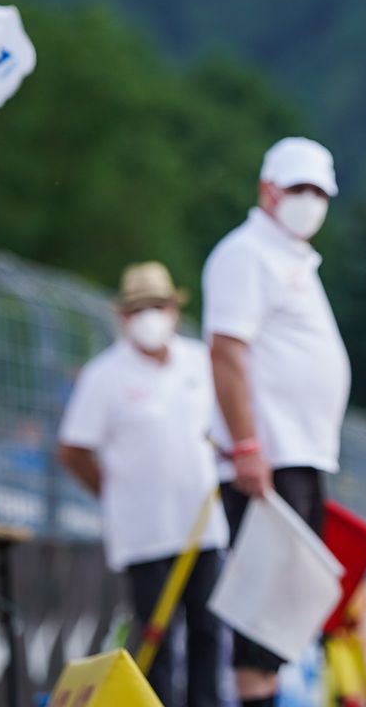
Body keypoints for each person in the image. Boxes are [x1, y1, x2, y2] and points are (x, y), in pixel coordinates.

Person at [203, 135, 350, 707]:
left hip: (302, 452)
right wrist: (245, 445)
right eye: (299, 189)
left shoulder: (292, 261)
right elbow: (227, 351)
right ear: (268, 191)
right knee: (263, 614)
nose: (309, 201)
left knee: (286, 609)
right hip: (270, 455)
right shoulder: (247, 254)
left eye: (319, 192)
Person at [58, 261, 227, 707]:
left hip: (201, 526)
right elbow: (74, 449)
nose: (150, 316)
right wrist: (112, 494)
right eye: (140, 308)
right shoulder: (105, 375)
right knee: (155, 637)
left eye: (157, 305)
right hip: (143, 532)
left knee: (208, 630)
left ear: (173, 309)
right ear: (123, 316)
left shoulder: (199, 361)